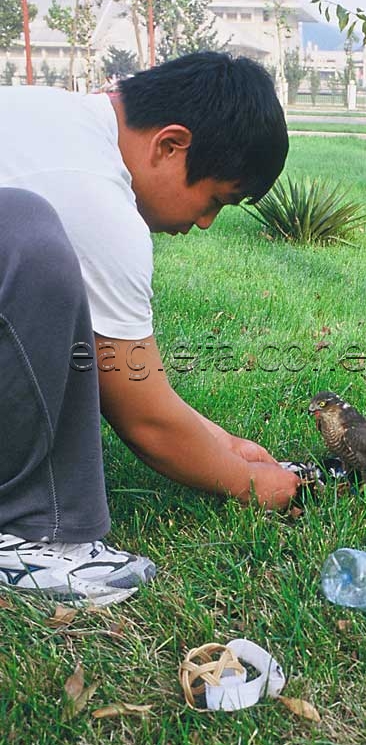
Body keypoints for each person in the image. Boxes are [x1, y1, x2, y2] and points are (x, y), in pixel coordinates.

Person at [0, 52, 300, 606]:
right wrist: (255, 485)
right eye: (216, 200)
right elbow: (145, 418)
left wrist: (227, 445)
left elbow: (137, 388)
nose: (207, 222)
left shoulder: (61, 122)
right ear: (170, 144)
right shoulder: (93, 196)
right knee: (24, 236)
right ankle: (27, 533)